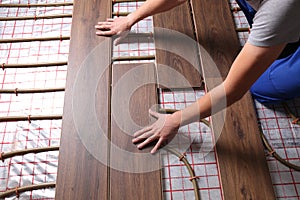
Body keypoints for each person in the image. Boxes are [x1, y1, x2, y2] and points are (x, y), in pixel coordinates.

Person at [95, 0, 300, 154]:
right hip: (282, 17)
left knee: (259, 86)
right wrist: (132, 18)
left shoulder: (280, 9)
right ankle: (278, 39)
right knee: (268, 37)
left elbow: (233, 90)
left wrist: (175, 120)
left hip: (285, 14)